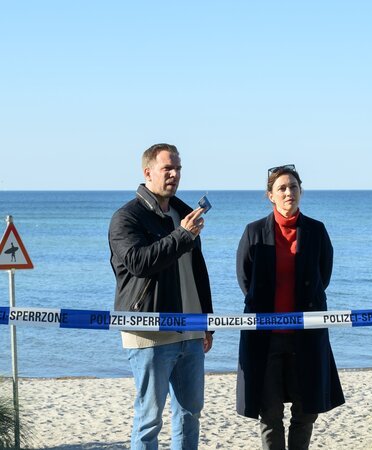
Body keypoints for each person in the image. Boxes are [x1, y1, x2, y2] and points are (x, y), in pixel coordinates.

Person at [108, 143, 214, 449]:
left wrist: (207, 322)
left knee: (190, 416)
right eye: (167, 168)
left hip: (191, 331)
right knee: (149, 421)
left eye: (178, 168)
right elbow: (139, 263)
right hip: (149, 332)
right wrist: (182, 235)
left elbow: (198, 272)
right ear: (148, 172)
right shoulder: (126, 217)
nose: (174, 174)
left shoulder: (184, 213)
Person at [235, 164, 344, 450]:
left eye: (293, 187)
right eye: (281, 188)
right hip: (266, 338)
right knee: (270, 414)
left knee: (306, 412)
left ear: (301, 192)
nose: (288, 193)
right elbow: (245, 280)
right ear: (270, 195)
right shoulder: (253, 231)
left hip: (306, 336)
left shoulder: (316, 231)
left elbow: (323, 277)